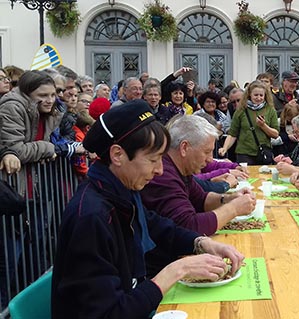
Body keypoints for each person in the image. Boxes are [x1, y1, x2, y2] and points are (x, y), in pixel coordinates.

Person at [51, 100, 244, 318]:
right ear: (117, 155)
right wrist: (177, 270)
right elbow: (110, 312)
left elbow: (155, 223)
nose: (160, 170)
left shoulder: (119, 191)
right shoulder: (92, 217)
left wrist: (201, 242)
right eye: (153, 160)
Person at [141, 115, 256, 236]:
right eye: (206, 152)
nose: (210, 159)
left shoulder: (182, 169)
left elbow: (201, 199)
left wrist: (228, 199)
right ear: (184, 148)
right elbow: (189, 227)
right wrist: (234, 209)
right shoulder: (163, 174)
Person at [0, 70, 62, 164]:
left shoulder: (48, 113)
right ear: (27, 94)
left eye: (53, 95)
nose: (50, 100)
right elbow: (14, 151)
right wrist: (48, 148)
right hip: (14, 176)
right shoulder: (12, 108)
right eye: (43, 95)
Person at [218, 81, 279, 164]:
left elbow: (275, 134)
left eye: (261, 95)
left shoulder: (270, 110)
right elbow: (232, 134)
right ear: (250, 94)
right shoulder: (241, 110)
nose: (258, 98)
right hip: (244, 153)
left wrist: (263, 126)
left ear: (265, 96)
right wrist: (225, 148)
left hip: (263, 152)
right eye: (256, 95)